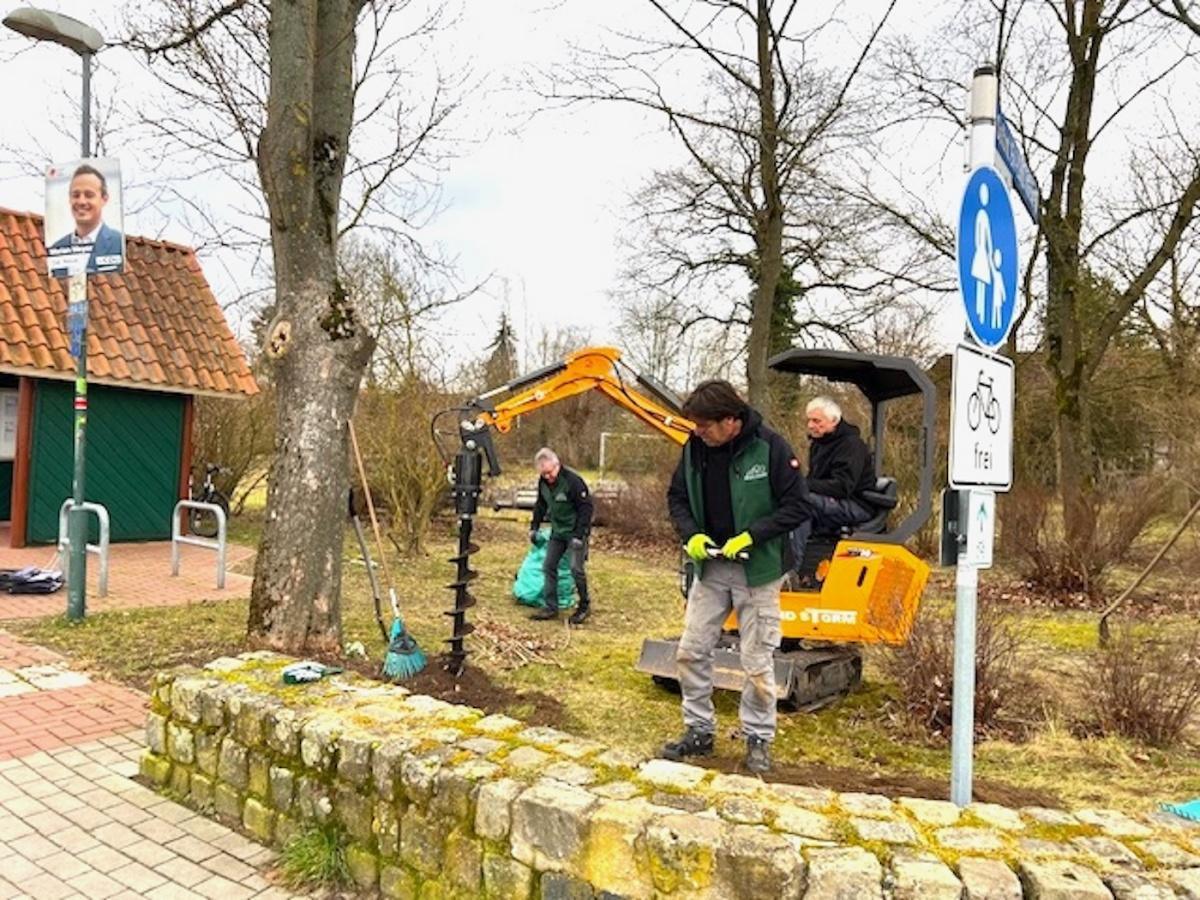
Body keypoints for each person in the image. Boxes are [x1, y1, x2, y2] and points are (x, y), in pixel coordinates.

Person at [663, 380, 807, 775]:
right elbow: (675, 497)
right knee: (691, 649)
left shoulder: (771, 448)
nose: (698, 431)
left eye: (706, 425)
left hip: (758, 570)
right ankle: (698, 731)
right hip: (711, 569)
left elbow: (798, 506)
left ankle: (758, 738)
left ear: (731, 420)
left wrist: (754, 535)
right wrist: (691, 534)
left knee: (757, 660)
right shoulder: (694, 449)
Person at [528, 448, 594, 625]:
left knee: (575, 569)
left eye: (550, 472)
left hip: (575, 532)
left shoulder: (573, 481)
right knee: (548, 566)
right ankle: (551, 607)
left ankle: (584, 606)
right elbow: (540, 505)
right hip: (557, 531)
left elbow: (586, 508)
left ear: (557, 465)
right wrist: (534, 527)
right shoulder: (542, 482)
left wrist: (580, 535)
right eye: (544, 473)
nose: (548, 477)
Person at [48, 164, 123, 276]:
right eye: (76, 195)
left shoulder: (118, 244)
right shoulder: (56, 249)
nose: (81, 201)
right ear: (69, 199)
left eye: (89, 195)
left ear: (104, 199)